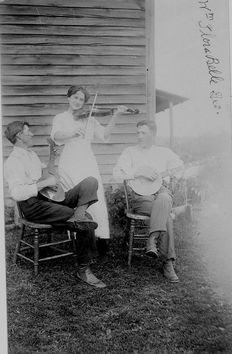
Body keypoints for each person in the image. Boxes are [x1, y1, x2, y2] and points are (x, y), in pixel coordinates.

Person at [4, 120, 106, 288]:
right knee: (87, 219)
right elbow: (17, 193)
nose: (31, 134)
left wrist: (54, 158)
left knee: (90, 182)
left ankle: (78, 217)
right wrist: (43, 184)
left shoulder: (32, 155)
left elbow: (48, 174)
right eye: (28, 131)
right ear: (20, 136)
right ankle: (83, 269)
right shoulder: (13, 162)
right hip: (33, 206)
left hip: (49, 198)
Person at [50, 86, 127, 253]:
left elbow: (105, 136)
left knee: (97, 197)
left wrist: (116, 116)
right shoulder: (60, 118)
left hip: (87, 161)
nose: (78, 102)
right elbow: (56, 137)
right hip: (69, 163)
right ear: (69, 98)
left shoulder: (90, 119)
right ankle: (82, 240)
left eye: (82, 100)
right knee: (78, 199)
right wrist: (72, 133)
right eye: (75, 98)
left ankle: (102, 240)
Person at [113, 120, 184, 283]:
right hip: (140, 196)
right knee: (165, 213)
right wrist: (138, 172)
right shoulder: (129, 152)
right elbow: (117, 173)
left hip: (161, 192)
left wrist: (171, 175)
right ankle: (168, 262)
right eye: (137, 132)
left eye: (143, 133)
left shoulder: (163, 152)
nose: (139, 136)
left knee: (165, 197)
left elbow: (180, 167)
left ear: (153, 135)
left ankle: (151, 240)